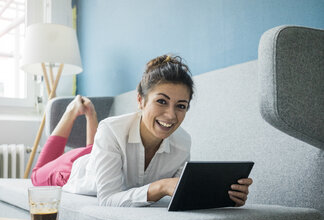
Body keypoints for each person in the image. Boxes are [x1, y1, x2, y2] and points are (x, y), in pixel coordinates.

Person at [31, 54, 253, 207]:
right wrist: (161, 186)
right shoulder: (111, 130)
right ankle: (72, 111)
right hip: (72, 171)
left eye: (181, 106)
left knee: (93, 148)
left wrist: (225, 196)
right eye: (162, 102)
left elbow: (180, 193)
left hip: (101, 151)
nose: (171, 116)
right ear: (140, 100)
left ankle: (90, 117)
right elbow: (108, 199)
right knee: (36, 174)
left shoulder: (183, 143)